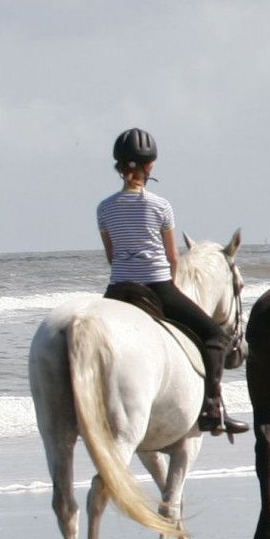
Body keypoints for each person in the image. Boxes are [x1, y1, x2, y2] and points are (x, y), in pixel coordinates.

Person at [97, 128, 248, 435]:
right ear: (150, 166)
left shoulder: (104, 208)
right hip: (157, 286)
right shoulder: (160, 206)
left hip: (117, 290)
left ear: (118, 166)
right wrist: (173, 285)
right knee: (213, 335)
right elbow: (172, 258)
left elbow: (112, 256)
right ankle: (211, 409)